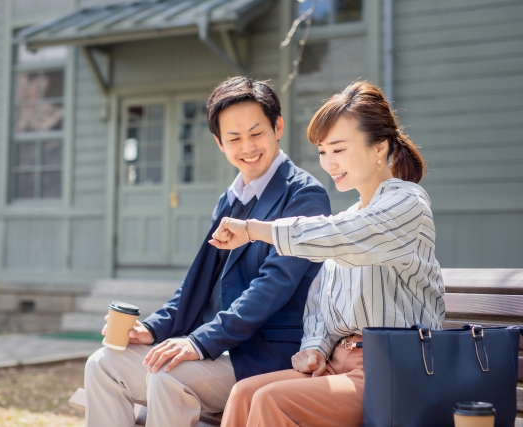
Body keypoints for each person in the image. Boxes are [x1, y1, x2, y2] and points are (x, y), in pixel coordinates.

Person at [83, 76, 332, 427]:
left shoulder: (305, 196)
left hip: (265, 357)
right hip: (216, 352)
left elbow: (273, 285)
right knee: (103, 364)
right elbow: (197, 284)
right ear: (219, 142)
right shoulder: (230, 198)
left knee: (168, 377)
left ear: (278, 127)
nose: (247, 146)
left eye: (256, 133)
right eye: (234, 138)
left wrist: (199, 342)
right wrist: (152, 329)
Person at [210, 80, 445, 427]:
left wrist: (253, 230)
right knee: (244, 392)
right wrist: (316, 348)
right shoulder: (347, 217)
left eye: (338, 149)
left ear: (379, 147)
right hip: (339, 365)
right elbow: (321, 302)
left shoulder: (407, 203)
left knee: (270, 400)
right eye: (323, 151)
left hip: (394, 372)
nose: (329, 163)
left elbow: (345, 238)